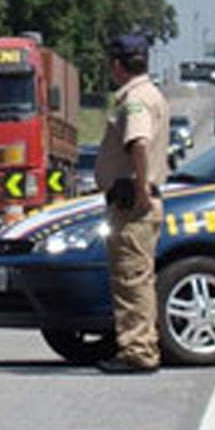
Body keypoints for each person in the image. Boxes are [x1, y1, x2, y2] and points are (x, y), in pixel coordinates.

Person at [93, 33, 170, 374]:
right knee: (137, 278)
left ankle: (138, 351)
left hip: (133, 204)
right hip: (137, 200)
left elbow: (138, 143)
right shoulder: (150, 94)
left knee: (132, 280)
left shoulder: (135, 100)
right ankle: (141, 345)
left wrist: (139, 191)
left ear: (116, 66)